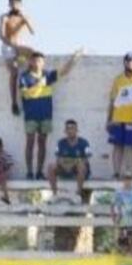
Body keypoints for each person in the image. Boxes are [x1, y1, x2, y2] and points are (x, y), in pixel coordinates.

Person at [19, 50, 82, 179]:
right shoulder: (24, 77)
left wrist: (74, 58)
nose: (37, 63)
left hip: (46, 115)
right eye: (35, 60)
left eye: (40, 60)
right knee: (30, 142)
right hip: (30, 115)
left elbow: (63, 71)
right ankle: (29, 172)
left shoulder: (47, 75)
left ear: (43, 63)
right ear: (30, 62)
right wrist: (39, 84)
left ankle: (39, 172)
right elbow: (25, 94)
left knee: (42, 143)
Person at [0, 0, 35, 116]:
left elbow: (32, 32)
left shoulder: (23, 16)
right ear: (9, 4)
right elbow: (1, 36)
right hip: (8, 46)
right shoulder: (4, 17)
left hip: (19, 46)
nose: (14, 5)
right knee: (14, 73)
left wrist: (25, 20)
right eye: (12, 3)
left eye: (16, 3)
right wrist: (12, 45)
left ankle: (29, 91)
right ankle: (14, 102)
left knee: (33, 55)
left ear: (20, 4)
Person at [47, 119, 91, 195]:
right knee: (51, 166)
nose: (70, 131)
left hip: (77, 169)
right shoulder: (60, 142)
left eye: (72, 128)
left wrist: (73, 164)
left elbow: (86, 159)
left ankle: (78, 193)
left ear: (77, 130)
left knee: (81, 166)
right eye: (68, 129)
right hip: (64, 168)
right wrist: (65, 165)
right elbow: (58, 158)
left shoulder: (84, 143)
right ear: (65, 131)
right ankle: (54, 193)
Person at [111, 174, 132, 255]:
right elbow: (112, 205)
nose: (127, 181)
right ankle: (123, 252)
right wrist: (113, 216)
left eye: (129, 179)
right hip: (121, 218)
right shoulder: (118, 192)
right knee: (122, 238)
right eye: (125, 179)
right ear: (123, 181)